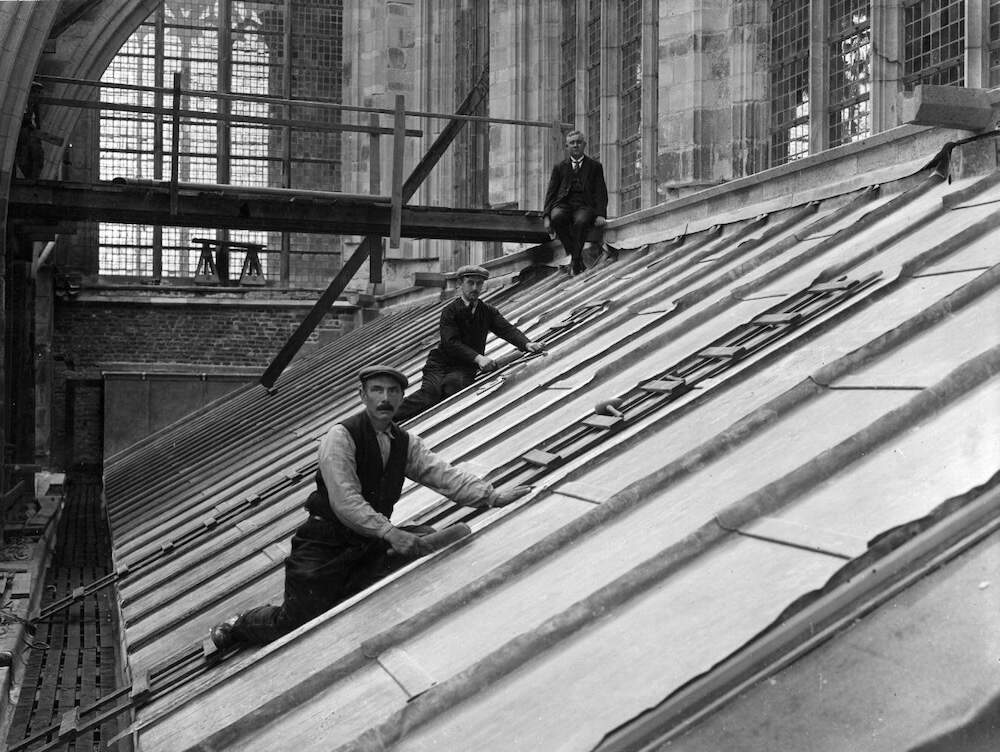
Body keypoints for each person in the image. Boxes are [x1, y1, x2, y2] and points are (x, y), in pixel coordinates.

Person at [210, 365, 531, 649]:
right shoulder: (341, 437)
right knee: (295, 621)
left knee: (427, 541)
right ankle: (239, 624)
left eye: (393, 391)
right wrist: (389, 532)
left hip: (368, 543)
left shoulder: (404, 443)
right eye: (377, 390)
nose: (385, 399)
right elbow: (345, 500)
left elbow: (441, 473)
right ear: (362, 395)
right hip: (325, 543)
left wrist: (490, 496)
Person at [392, 264, 544, 423]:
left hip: (464, 367)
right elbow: (450, 342)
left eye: (479, 284)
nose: (475, 288)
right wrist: (479, 359)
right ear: (460, 284)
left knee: (454, 387)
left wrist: (527, 344)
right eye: (470, 283)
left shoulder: (487, 311)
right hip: (439, 364)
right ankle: (383, 417)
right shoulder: (450, 311)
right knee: (430, 394)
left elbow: (506, 329)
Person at [543, 129, 609, 275]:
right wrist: (546, 217)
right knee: (557, 217)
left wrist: (600, 214)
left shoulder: (594, 167)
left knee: (581, 222)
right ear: (567, 146)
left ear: (584, 145)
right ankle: (577, 258)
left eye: (579, 142)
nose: (575, 145)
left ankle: (574, 260)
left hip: (584, 205)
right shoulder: (559, 167)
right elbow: (551, 193)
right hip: (563, 204)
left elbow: (601, 193)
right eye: (572, 143)